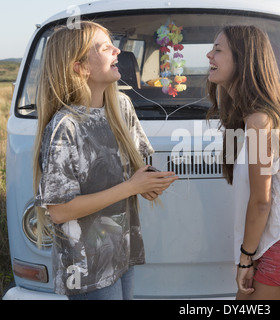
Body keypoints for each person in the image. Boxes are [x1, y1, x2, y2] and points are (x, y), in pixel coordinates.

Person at [32, 21, 178, 300]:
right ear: (80, 68)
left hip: (121, 253)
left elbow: (135, 169)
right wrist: (131, 187)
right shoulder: (65, 126)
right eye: (105, 47)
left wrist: (150, 182)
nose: (117, 51)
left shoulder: (121, 106)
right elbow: (60, 211)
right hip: (86, 268)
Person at [206, 25, 280, 300]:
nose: (208, 55)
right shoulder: (249, 117)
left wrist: (245, 259)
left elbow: (261, 201)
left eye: (217, 50)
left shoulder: (259, 121)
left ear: (242, 59)